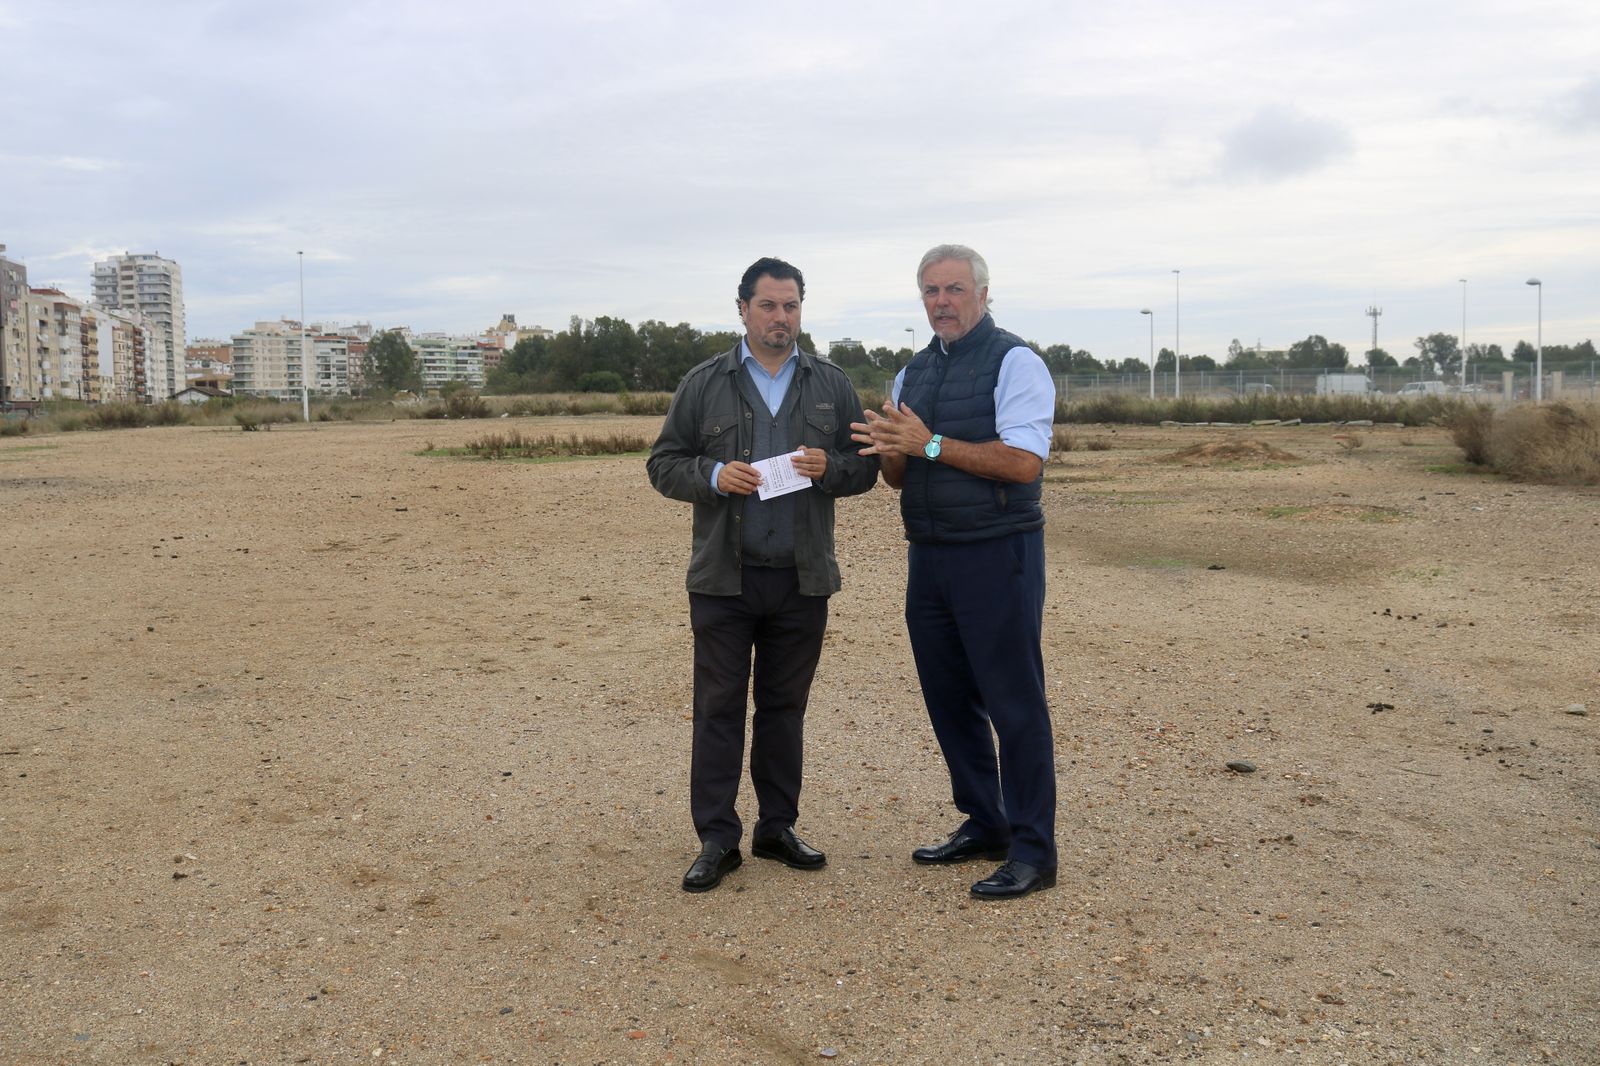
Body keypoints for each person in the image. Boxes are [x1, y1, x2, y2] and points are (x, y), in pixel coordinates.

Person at [648, 257, 878, 893]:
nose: (782, 318)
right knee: (718, 710)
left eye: (792, 306)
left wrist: (830, 466)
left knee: (784, 709)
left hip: (802, 580)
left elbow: (867, 470)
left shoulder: (832, 386)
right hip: (724, 578)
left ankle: (777, 827)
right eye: (770, 306)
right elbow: (664, 463)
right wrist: (713, 476)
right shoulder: (704, 383)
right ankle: (717, 839)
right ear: (743, 308)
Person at [850, 244, 1058, 899]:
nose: (942, 301)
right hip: (930, 554)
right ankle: (986, 821)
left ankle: (1033, 850)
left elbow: (1024, 462)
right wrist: (892, 450)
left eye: (954, 289)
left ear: (983, 294)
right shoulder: (914, 373)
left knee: (1014, 704)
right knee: (950, 699)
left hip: (999, 552)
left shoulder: (1016, 362)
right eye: (931, 291)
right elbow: (898, 475)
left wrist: (929, 443)